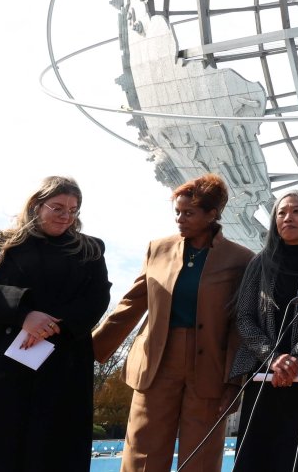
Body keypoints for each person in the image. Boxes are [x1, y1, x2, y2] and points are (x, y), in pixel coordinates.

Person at [0, 176, 111, 472]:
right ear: (35, 206)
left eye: (73, 209)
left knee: (51, 448)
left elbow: (96, 299)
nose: (66, 216)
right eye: (57, 207)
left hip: (62, 359)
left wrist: (49, 327)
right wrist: (24, 314)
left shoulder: (90, 250)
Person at [91, 174, 254, 472]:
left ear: (212, 214)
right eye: (177, 212)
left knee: (201, 456)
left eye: (188, 213)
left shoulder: (241, 259)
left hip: (209, 367)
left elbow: (239, 325)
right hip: (156, 360)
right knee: (143, 450)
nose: (180, 219)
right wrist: (90, 347)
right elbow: (132, 303)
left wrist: (234, 381)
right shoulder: (158, 248)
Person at [229, 190, 298, 472]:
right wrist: (275, 358)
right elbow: (245, 319)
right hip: (264, 377)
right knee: (257, 459)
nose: (288, 217)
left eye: (297, 211)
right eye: (281, 213)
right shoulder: (259, 263)